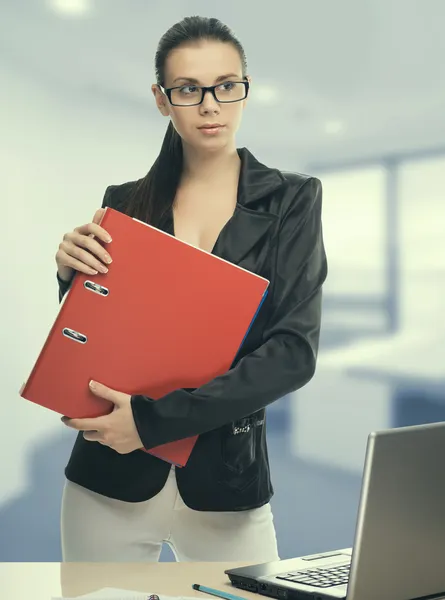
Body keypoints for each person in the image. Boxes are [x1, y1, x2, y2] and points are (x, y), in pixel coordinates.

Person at [55, 15, 328, 563]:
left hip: (227, 481)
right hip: (109, 474)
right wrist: (69, 276)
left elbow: (292, 355)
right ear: (162, 99)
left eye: (227, 86)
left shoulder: (292, 201)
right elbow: (99, 338)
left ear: (245, 90)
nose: (211, 105)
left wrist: (152, 424)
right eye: (188, 89)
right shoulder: (124, 201)